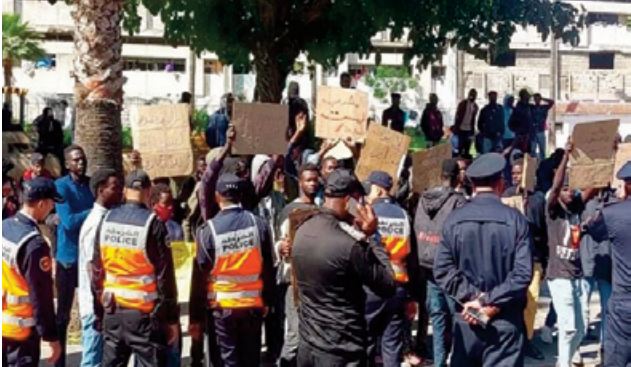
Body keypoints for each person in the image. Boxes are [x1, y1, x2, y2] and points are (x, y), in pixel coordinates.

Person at [434, 153, 532, 366]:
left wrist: (475, 299)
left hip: (469, 317)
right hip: (501, 321)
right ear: (500, 183)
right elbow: (522, 274)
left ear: (471, 184)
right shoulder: (515, 220)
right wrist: (484, 301)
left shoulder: (454, 219)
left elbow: (442, 270)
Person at [292, 169, 397, 366]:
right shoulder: (350, 245)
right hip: (342, 350)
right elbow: (388, 284)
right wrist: (372, 236)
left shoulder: (302, 229)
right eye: (360, 202)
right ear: (349, 201)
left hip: (308, 347)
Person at [91, 169, 179, 367]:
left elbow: (96, 270)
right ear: (148, 192)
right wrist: (171, 319)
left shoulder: (106, 220)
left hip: (112, 311)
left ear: (125, 191)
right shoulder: (153, 224)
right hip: (143, 316)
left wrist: (99, 312)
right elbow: (165, 278)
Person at [188, 173, 275, 367]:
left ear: (217, 196)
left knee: (226, 361)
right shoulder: (258, 225)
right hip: (252, 307)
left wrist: (196, 318)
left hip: (222, 310)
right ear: (241, 195)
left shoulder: (207, 231)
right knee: (250, 359)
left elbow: (200, 276)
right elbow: (268, 268)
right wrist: (268, 300)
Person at [545, 141, 595, 367]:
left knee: (582, 327)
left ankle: (563, 361)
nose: (569, 193)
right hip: (559, 275)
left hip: (577, 275)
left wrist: (608, 156)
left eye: (572, 188)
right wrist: (566, 156)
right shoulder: (553, 209)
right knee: (568, 328)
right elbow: (555, 188)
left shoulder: (576, 206)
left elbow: (595, 185)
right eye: (565, 189)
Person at [2, 177, 62, 367]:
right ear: (42, 203)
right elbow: (40, 296)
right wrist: (51, 337)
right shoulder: (34, 244)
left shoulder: (5, 227)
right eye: (52, 202)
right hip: (22, 331)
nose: (52, 207)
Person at [414, 159, 467, 366]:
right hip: (451, 268)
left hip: (428, 265)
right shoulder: (458, 201)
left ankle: (438, 362)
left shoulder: (424, 198)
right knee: (456, 318)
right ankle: (455, 360)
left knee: (437, 319)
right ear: (457, 177)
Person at [584, 161, 631, 367]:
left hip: (623, 301)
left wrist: (612, 202)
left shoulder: (613, 214)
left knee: (616, 358)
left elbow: (593, 230)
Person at [502, 160, 547, 360]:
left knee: (531, 301)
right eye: (513, 173)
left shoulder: (538, 199)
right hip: (510, 259)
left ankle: (526, 341)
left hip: (533, 257)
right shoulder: (506, 195)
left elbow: (543, 230)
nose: (515, 176)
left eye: (519, 173)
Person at [277, 163, 321, 367]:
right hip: (294, 282)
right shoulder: (289, 210)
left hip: (317, 282)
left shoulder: (322, 209)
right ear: (300, 182)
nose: (312, 184)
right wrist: (281, 246)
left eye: (315, 179)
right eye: (308, 180)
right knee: (294, 336)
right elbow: (277, 239)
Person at [77, 169, 123, 367]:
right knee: (92, 361)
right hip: (94, 308)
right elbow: (91, 268)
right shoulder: (95, 223)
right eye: (115, 187)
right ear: (100, 190)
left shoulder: (108, 218)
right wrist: (99, 308)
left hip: (104, 306)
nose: (120, 191)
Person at [54, 145, 94, 367]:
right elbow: (68, 222)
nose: (81, 163)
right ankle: (59, 361)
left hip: (88, 257)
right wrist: (94, 210)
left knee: (93, 309)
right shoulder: (60, 187)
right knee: (63, 315)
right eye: (76, 160)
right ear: (68, 163)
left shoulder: (90, 185)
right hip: (68, 257)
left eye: (83, 159)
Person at [579, 188, 614, 351]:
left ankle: (605, 342)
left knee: (607, 305)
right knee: (581, 302)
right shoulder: (582, 200)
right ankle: (579, 338)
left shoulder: (614, 200)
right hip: (586, 257)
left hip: (606, 260)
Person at [453, 89, 478, 156]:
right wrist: (456, 129)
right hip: (460, 129)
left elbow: (473, 119)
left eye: (474, 95)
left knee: (469, 151)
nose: (472, 96)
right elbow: (457, 116)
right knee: (459, 149)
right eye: (471, 94)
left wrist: (473, 131)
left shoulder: (475, 106)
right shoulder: (463, 104)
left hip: (469, 130)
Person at [531, 94, 555, 161]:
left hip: (541, 131)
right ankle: (533, 166)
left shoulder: (544, 107)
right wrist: (530, 97)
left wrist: (542, 98)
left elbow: (552, 102)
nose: (537, 100)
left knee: (542, 151)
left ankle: (543, 164)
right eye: (535, 99)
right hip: (533, 132)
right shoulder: (531, 107)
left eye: (538, 99)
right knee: (533, 151)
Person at [509, 89, 533, 154]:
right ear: (523, 96)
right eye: (527, 95)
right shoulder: (519, 107)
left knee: (527, 153)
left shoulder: (528, 106)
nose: (528, 97)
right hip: (522, 135)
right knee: (522, 153)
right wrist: (521, 133)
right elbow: (513, 122)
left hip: (528, 134)